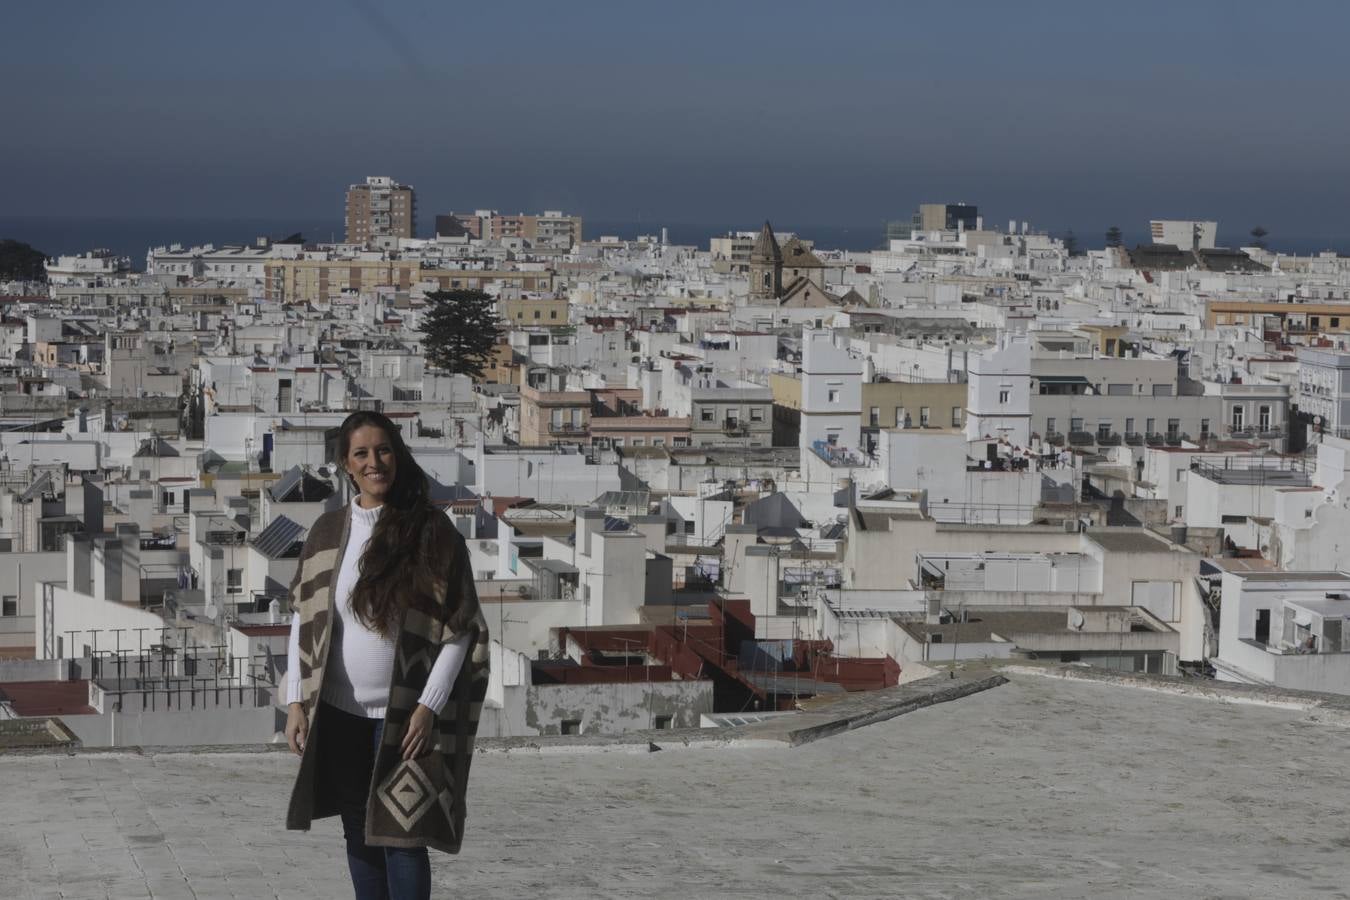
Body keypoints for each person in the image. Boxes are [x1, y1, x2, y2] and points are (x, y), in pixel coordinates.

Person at [283, 411, 490, 900]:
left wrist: (428, 707)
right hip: (339, 713)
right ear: (346, 465)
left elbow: (460, 630)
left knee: (404, 838)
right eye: (362, 453)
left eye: (384, 450)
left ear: (398, 455)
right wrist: (296, 700)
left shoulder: (432, 533)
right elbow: (303, 618)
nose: (375, 462)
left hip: (402, 718)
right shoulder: (326, 533)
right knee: (358, 831)